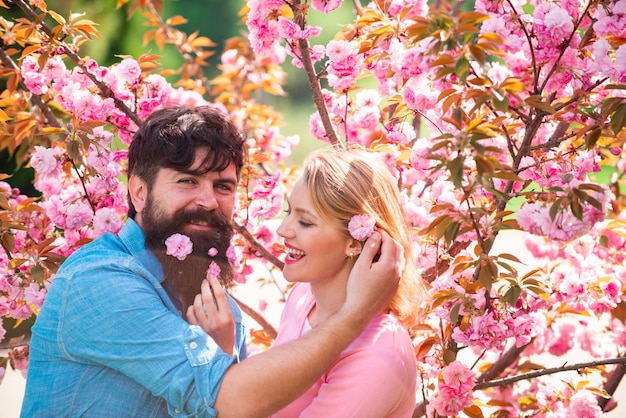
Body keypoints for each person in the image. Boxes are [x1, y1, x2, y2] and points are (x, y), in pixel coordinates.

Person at [20, 106, 404, 418]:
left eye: (223, 186)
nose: (209, 201)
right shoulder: (102, 281)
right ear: (139, 191)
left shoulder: (219, 310)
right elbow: (231, 397)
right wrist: (354, 314)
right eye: (187, 181)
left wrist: (223, 354)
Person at [269, 147, 427, 417]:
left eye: (305, 222)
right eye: (288, 211)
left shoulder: (380, 353)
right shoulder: (303, 298)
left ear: (356, 241)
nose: (282, 230)